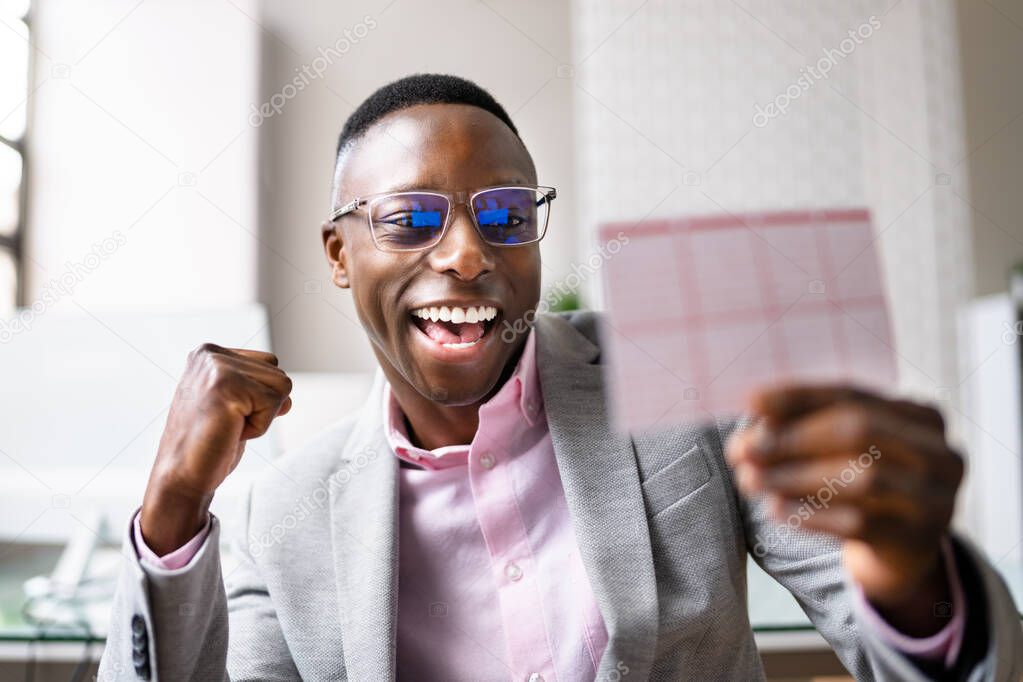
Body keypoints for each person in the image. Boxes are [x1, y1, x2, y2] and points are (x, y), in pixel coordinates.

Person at [98, 74, 1021, 681]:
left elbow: (941, 653)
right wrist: (172, 509)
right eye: (410, 218)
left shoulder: (679, 374)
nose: (464, 254)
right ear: (339, 254)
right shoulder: (282, 514)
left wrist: (911, 578)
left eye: (503, 214)